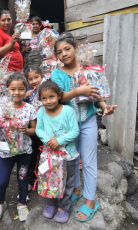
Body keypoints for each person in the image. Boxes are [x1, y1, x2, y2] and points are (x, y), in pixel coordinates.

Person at [51, 35, 117, 221]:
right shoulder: (57, 74)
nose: (64, 54)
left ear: (75, 49)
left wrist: (104, 107)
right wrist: (79, 91)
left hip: (87, 122)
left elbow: (97, 95)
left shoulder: (88, 69)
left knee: (88, 161)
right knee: (72, 159)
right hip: (68, 126)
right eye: (59, 52)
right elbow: (58, 97)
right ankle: (76, 190)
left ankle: (90, 200)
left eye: (67, 49)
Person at [0, 72, 37, 222]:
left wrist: (26, 130)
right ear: (7, 90)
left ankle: (22, 204)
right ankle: (0, 203)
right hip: (6, 153)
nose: (17, 92)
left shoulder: (30, 109)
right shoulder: (1, 108)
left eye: (21, 89)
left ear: (26, 89)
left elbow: (34, 130)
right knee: (2, 181)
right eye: (13, 89)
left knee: (22, 179)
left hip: (24, 152)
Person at [36, 80, 80, 223]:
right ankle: (50, 204)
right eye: (44, 98)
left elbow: (75, 131)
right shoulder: (41, 111)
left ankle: (64, 208)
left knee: (67, 183)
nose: (48, 101)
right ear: (40, 100)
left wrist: (59, 141)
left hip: (67, 156)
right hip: (49, 156)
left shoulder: (68, 111)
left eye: (52, 97)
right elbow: (39, 129)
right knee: (48, 179)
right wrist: (49, 140)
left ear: (59, 96)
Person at [23, 66, 46, 191]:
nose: (34, 81)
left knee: (43, 154)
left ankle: (43, 179)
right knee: (33, 153)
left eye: (36, 77)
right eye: (30, 79)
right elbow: (22, 105)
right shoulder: (29, 92)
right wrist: (25, 97)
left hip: (46, 127)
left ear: (42, 76)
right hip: (33, 127)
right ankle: (30, 180)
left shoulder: (46, 89)